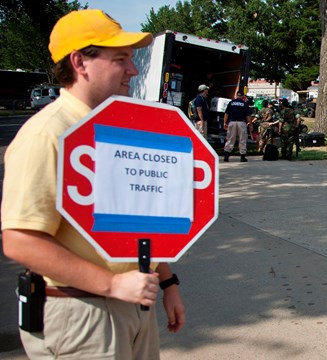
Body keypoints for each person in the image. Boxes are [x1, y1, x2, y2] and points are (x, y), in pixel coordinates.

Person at [1, 9, 185, 359]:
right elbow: (20, 241)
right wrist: (113, 283)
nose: (132, 70)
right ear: (79, 62)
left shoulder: (114, 130)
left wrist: (167, 281)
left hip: (132, 303)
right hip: (81, 312)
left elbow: (138, 223)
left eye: (131, 59)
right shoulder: (47, 134)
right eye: (120, 59)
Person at [223, 91, 253, 162]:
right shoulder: (244, 104)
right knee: (242, 139)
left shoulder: (231, 103)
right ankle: (242, 156)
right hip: (241, 123)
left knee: (230, 138)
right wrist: (250, 124)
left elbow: (226, 114)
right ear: (243, 96)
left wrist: (225, 122)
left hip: (232, 122)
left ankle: (226, 155)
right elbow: (248, 116)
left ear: (236, 95)